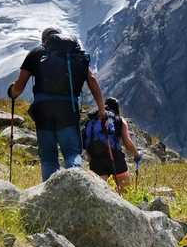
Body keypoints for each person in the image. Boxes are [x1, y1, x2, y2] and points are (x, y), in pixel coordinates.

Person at [8, 27, 106, 180]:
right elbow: (92, 81)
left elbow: (19, 87)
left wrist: (11, 92)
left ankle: (50, 193)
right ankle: (77, 186)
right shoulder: (74, 54)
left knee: (48, 158)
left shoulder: (36, 53)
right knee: (72, 153)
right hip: (68, 110)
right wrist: (101, 108)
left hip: (43, 111)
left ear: (44, 40)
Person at [84, 97, 141, 194]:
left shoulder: (92, 120)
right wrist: (136, 154)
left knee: (99, 191)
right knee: (125, 189)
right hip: (114, 155)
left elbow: (86, 141)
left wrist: (91, 158)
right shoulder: (119, 119)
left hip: (96, 157)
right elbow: (127, 142)